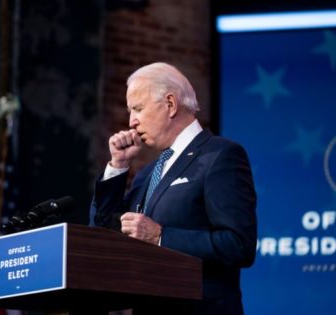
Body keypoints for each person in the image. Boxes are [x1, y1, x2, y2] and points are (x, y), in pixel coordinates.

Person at [90, 62, 257, 315]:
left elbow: (239, 245)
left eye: (138, 109)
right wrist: (118, 166)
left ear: (170, 104)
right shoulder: (147, 174)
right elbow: (102, 232)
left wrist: (160, 236)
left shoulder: (220, 156)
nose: (131, 122)